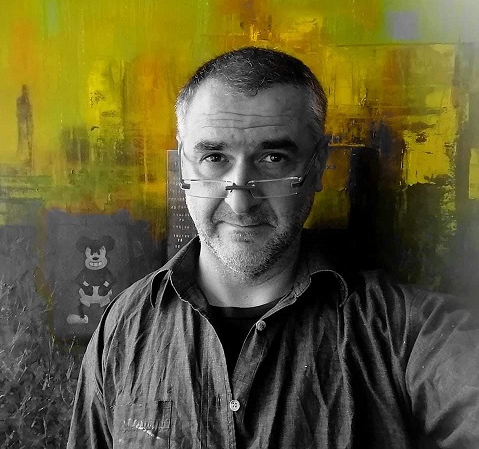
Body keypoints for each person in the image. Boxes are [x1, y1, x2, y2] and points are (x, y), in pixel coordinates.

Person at [67, 47, 479, 449]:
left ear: (318, 164)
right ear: (182, 164)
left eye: (274, 159)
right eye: (214, 157)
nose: (240, 203)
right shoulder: (121, 327)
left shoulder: (408, 332)